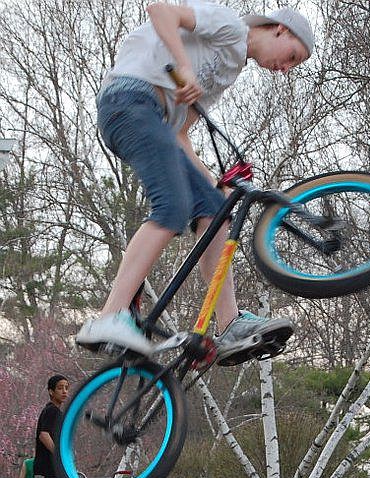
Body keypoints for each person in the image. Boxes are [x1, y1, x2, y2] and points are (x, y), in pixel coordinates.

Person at [76, 2, 314, 364]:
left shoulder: (229, 68)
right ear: (280, 29)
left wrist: (214, 185)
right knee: (171, 208)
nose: (284, 69)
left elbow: (182, 134)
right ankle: (110, 315)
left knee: (214, 211)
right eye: (291, 57)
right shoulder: (230, 26)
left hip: (156, 122)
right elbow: (160, 12)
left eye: (291, 67)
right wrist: (183, 67)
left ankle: (230, 322)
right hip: (130, 101)